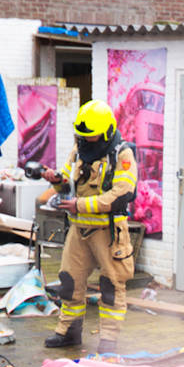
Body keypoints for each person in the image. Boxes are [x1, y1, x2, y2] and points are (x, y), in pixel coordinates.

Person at [38, 100, 139, 354]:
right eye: (81, 135)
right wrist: (56, 180)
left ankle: (108, 341)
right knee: (69, 282)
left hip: (108, 232)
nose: (84, 140)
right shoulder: (78, 149)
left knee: (111, 285)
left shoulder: (122, 154)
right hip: (78, 230)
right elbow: (67, 183)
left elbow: (121, 194)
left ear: (105, 133)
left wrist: (80, 205)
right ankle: (69, 332)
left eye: (90, 136)